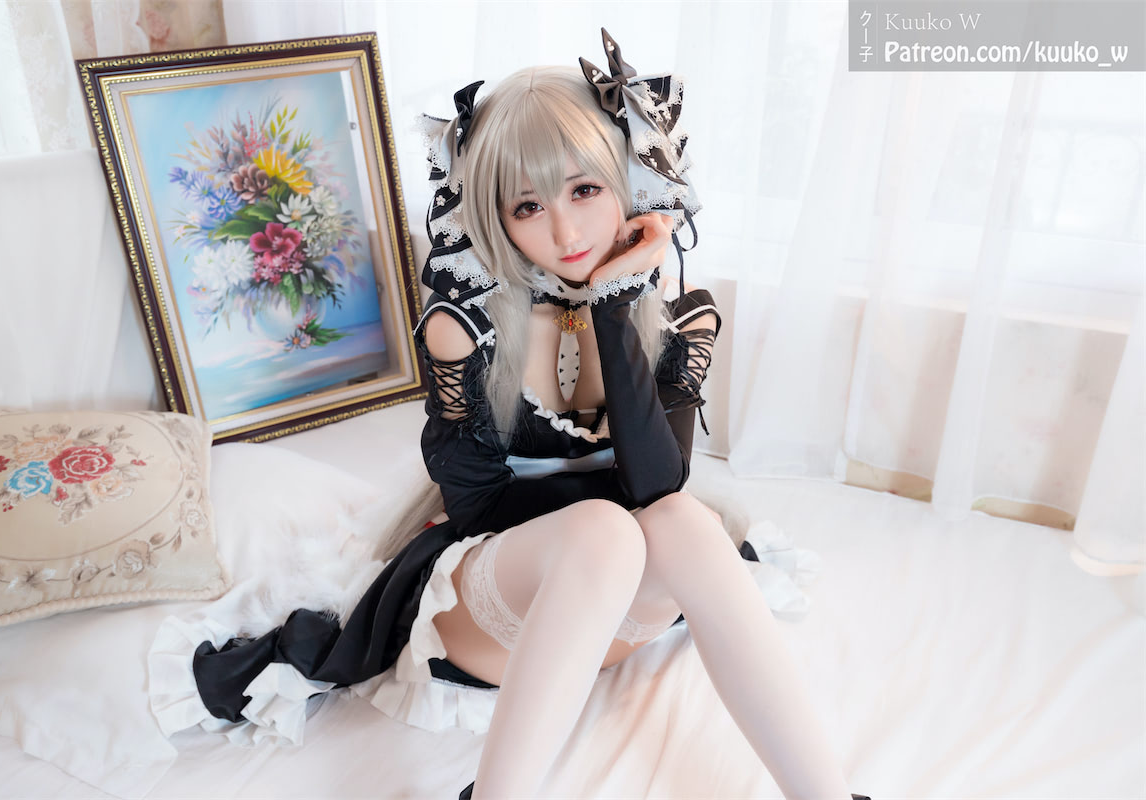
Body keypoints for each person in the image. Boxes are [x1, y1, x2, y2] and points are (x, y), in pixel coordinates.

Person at [184, 29, 866, 800]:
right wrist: (591, 525)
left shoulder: (675, 318)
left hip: (613, 620)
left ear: (628, 184)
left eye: (585, 191)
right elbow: (477, 510)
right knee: (606, 531)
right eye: (529, 205)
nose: (566, 233)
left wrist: (613, 307)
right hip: (498, 612)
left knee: (681, 520)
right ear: (495, 216)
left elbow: (657, 486)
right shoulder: (464, 327)